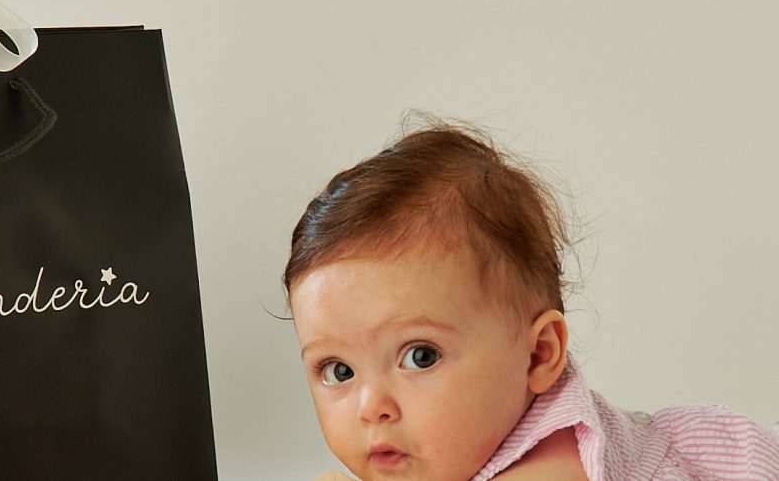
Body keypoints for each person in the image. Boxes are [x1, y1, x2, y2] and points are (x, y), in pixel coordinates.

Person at [284, 117, 779, 480]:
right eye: (339, 371)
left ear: (538, 354)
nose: (372, 407)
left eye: (421, 356)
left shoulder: (552, 464)